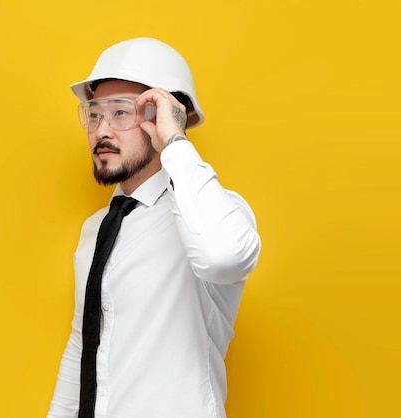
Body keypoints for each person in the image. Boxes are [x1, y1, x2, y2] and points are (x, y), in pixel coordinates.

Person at [47, 37, 261, 418]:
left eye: (122, 113)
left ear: (163, 118)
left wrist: (174, 142)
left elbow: (224, 257)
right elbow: (85, 344)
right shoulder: (96, 228)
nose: (101, 131)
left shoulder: (213, 213)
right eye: (94, 114)